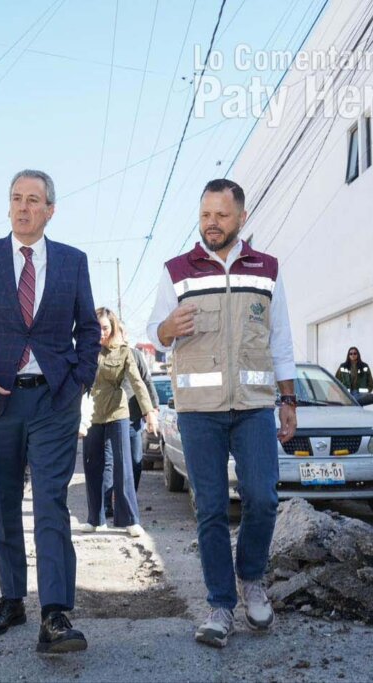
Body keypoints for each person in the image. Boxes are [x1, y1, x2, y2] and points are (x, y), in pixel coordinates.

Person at [0, 169, 100, 655]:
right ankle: (12, 599)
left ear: (50, 210)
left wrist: (78, 382)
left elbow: (89, 329)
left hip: (54, 399)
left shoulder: (73, 261)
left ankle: (54, 613)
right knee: (3, 501)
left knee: (51, 502)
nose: (23, 207)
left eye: (33, 200)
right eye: (16, 198)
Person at [148, 178, 297, 649]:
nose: (212, 224)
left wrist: (288, 401)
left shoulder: (267, 270)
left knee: (263, 498)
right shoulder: (177, 271)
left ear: (241, 218)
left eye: (221, 215)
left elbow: (281, 340)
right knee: (210, 508)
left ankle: (251, 579)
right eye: (205, 215)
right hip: (199, 412)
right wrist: (167, 328)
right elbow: (154, 334)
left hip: (254, 407)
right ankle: (219, 605)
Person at [81, 308, 157, 537]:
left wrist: (149, 412)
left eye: (105, 328)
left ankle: (130, 520)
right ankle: (95, 519)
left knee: (123, 466)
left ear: (113, 328)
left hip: (118, 413)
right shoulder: (86, 351)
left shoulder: (124, 352)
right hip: (93, 414)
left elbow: (138, 382)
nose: (101, 333)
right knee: (92, 465)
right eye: (97, 328)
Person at [123, 343, 159, 491]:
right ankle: (113, 499)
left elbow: (146, 381)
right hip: (109, 418)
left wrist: (153, 409)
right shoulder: (100, 353)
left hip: (133, 419)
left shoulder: (134, 355)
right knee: (112, 463)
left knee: (136, 461)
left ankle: (131, 495)